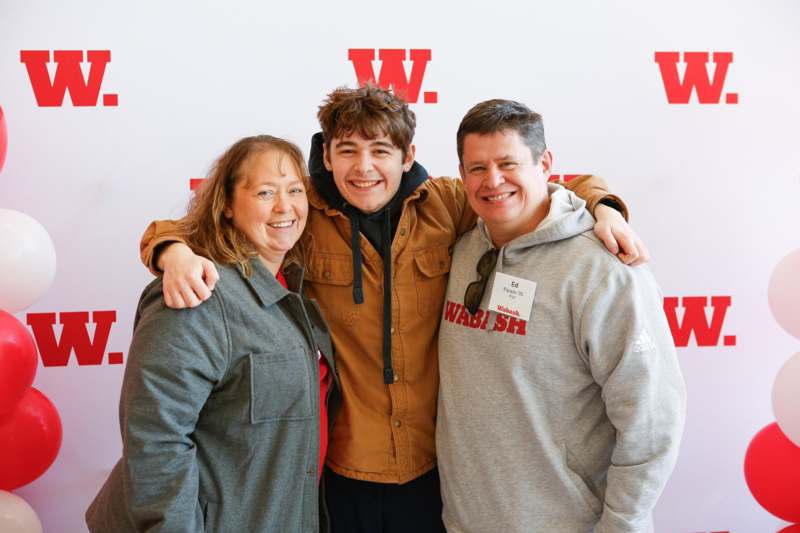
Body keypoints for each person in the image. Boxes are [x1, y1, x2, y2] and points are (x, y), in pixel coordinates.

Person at [138, 85, 643, 533]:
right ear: (327, 157)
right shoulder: (302, 210)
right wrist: (171, 251)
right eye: (348, 151)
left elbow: (536, 189)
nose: (364, 167)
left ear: (407, 156)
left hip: (434, 473)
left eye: (381, 150)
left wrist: (604, 206)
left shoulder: (447, 202)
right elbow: (203, 226)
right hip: (338, 474)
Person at [436, 99, 686, 533]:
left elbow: (651, 421)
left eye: (508, 163)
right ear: (462, 175)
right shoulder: (462, 247)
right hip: (464, 521)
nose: (493, 181)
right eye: (477, 168)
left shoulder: (604, 271)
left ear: (546, 163)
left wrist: (623, 524)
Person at [86, 135, 340, 532]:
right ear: (225, 204)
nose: (284, 206)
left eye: (294, 190)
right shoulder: (198, 292)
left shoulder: (289, 287)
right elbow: (156, 440)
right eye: (265, 192)